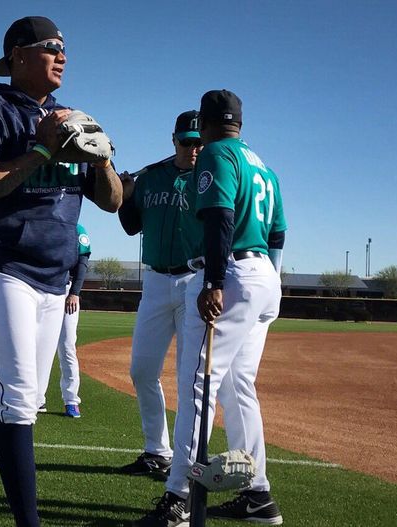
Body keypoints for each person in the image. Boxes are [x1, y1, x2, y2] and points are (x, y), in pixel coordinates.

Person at [0, 16, 121, 527]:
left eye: (65, 50)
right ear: (18, 55)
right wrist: (40, 151)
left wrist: (101, 158)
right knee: (17, 402)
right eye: (50, 48)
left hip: (52, 277)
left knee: (27, 403)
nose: (62, 57)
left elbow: (112, 203)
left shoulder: (70, 118)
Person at [134, 90, 287, 526]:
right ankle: (259, 496)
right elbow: (277, 233)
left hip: (230, 275)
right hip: (263, 277)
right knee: (239, 387)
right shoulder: (263, 166)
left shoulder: (217, 154)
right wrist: (269, 282)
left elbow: (219, 217)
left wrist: (217, 281)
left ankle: (179, 495)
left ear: (205, 121)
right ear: (240, 120)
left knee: (197, 387)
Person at [116, 111, 203, 478]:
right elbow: (131, 227)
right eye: (186, 141)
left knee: (189, 378)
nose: (193, 149)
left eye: (199, 142)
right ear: (173, 139)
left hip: (193, 282)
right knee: (141, 370)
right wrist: (124, 197)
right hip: (154, 283)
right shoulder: (150, 178)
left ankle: (187, 460)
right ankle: (157, 451)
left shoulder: (211, 179)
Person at [36, 223, 92, 418]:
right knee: (39, 345)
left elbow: (82, 261)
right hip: (41, 289)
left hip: (66, 290)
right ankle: (37, 398)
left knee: (67, 346)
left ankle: (71, 400)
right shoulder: (42, 223)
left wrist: (75, 293)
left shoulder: (77, 229)